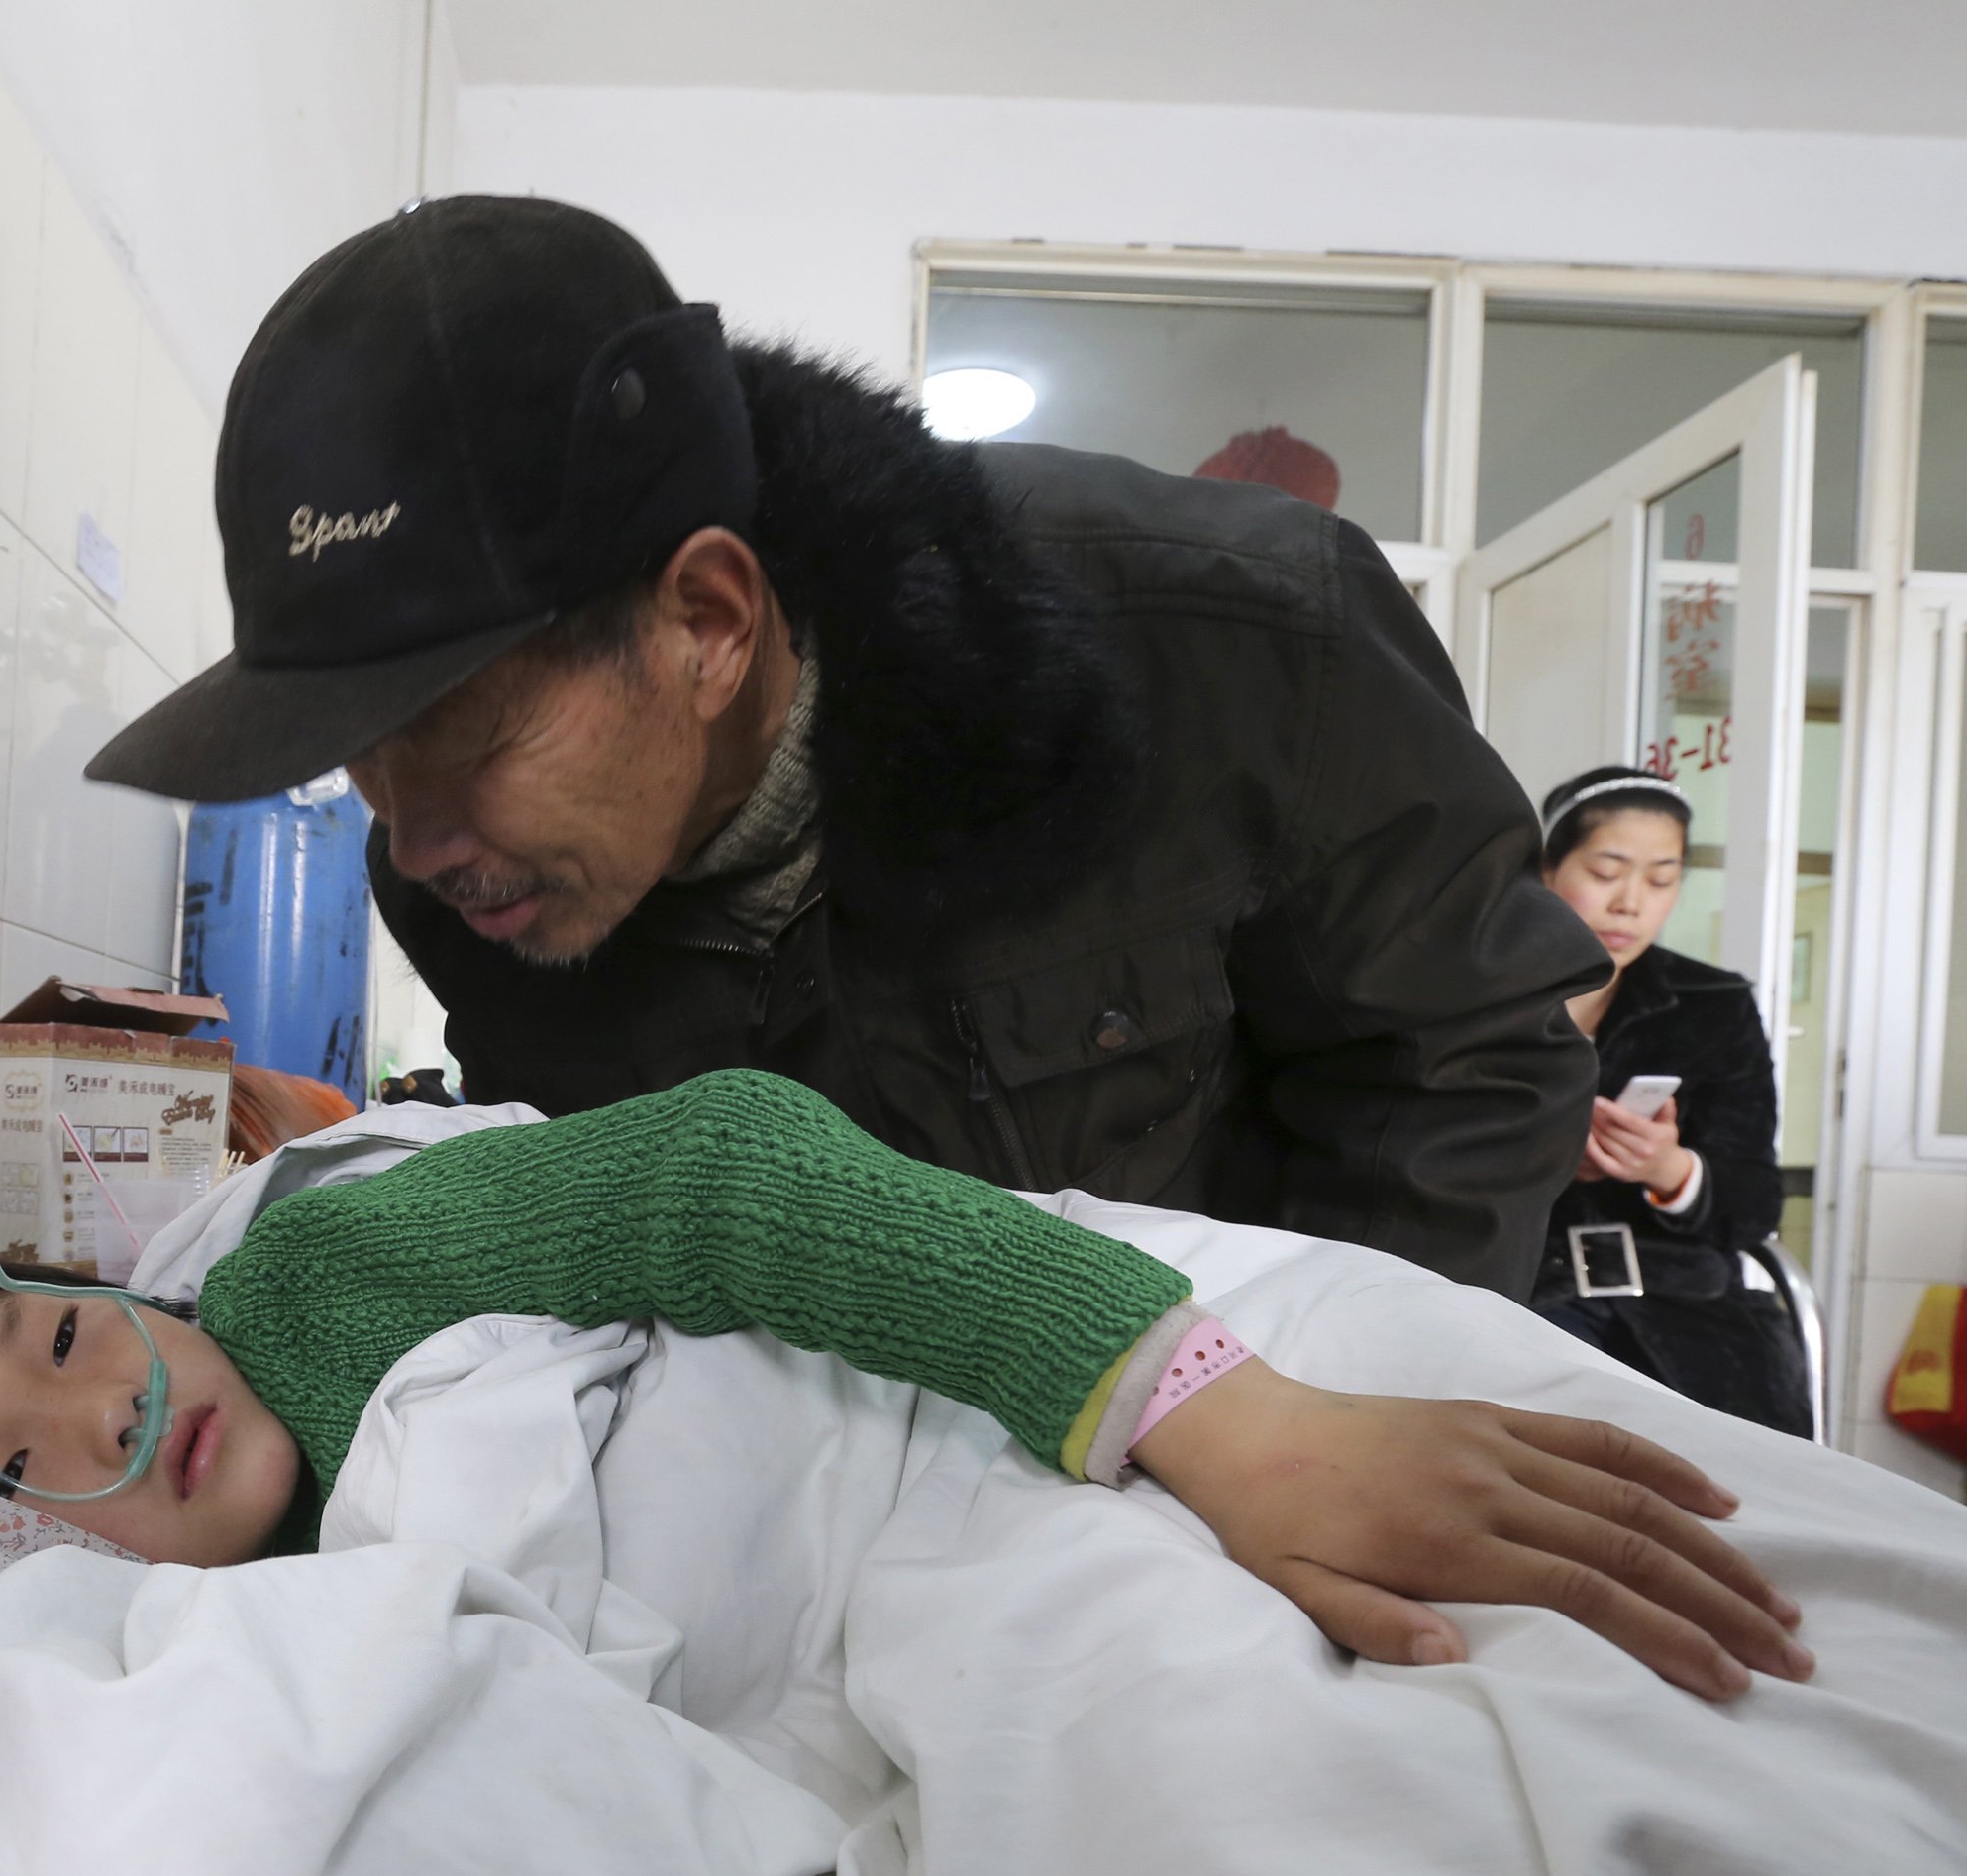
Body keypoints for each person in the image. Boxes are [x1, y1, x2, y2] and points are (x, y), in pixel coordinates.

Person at [85, 196, 1606, 1298]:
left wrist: (1314, 1421)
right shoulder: (471, 881)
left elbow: (1462, 1071)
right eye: (360, 757)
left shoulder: (1247, 641)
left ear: (708, 619)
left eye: (470, 740)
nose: (411, 846)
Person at [0, 1071, 1811, 1703]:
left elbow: (727, 1168)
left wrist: (1220, 1411)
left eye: (68, 1343)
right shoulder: (187, 1644)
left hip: (1097, 1386)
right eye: (10, 1471)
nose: (98, 1423)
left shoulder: (332, 1271)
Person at [1525, 765, 1812, 1436]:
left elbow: (1754, 1199)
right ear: (1546, 868)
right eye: (1606, 871)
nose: (1631, 903)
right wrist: (1548, 1156)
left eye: (1661, 879)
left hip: (1688, 1309)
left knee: (1750, 1486)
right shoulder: (1474, 997)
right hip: (1519, 1294)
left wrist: (1672, 1171)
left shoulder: (1713, 1006)